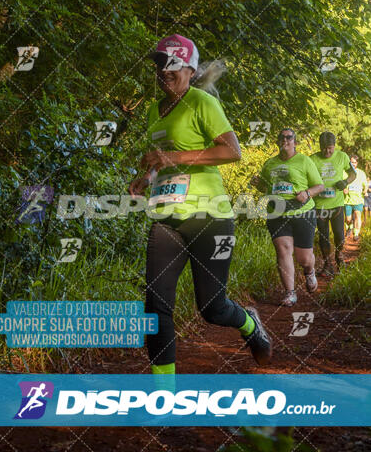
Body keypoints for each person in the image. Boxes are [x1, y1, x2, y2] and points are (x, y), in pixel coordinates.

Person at [129, 34, 272, 376]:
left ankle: (250, 325)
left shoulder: (202, 103)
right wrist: (146, 179)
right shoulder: (153, 109)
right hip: (166, 217)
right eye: (160, 64)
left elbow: (232, 151)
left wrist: (172, 156)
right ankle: (164, 398)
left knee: (212, 307)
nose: (164, 70)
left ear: (190, 70)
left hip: (209, 217)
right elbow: (162, 162)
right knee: (156, 305)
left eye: (173, 64)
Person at [251, 128, 324, 306]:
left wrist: (307, 193)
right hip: (277, 213)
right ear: (277, 141)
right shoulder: (269, 164)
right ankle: (290, 293)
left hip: (302, 212)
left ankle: (310, 271)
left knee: (303, 258)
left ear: (295, 142)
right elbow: (266, 188)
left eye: (289, 137)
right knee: (283, 250)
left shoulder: (304, 161)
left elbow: (319, 186)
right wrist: (258, 184)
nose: (285, 140)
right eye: (282, 137)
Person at [310, 132, 356, 276]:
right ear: (320, 146)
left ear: (334, 146)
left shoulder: (342, 156)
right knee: (323, 237)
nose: (327, 151)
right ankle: (327, 265)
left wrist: (345, 182)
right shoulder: (312, 159)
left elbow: (352, 174)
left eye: (330, 148)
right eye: (324, 148)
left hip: (337, 205)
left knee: (339, 236)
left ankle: (339, 256)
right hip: (319, 206)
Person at [343, 155, 368, 241]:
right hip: (347, 200)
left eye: (354, 162)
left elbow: (366, 185)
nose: (352, 164)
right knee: (348, 219)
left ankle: (356, 233)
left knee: (358, 215)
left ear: (357, 163)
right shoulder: (344, 172)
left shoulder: (361, 173)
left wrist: (365, 190)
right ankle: (349, 227)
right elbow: (340, 184)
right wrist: (343, 189)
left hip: (358, 200)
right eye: (351, 162)